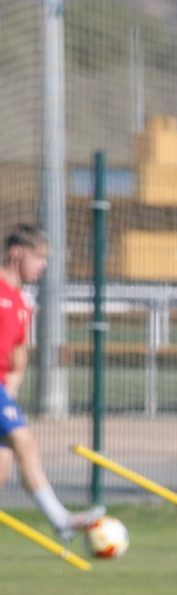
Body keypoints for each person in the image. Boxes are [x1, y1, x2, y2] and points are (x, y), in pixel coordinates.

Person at [0, 224, 102, 540]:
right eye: (39, 257)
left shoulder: (22, 303)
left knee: (3, 462)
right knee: (25, 441)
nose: (43, 265)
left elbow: (18, 354)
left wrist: (11, 391)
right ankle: (60, 519)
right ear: (16, 253)